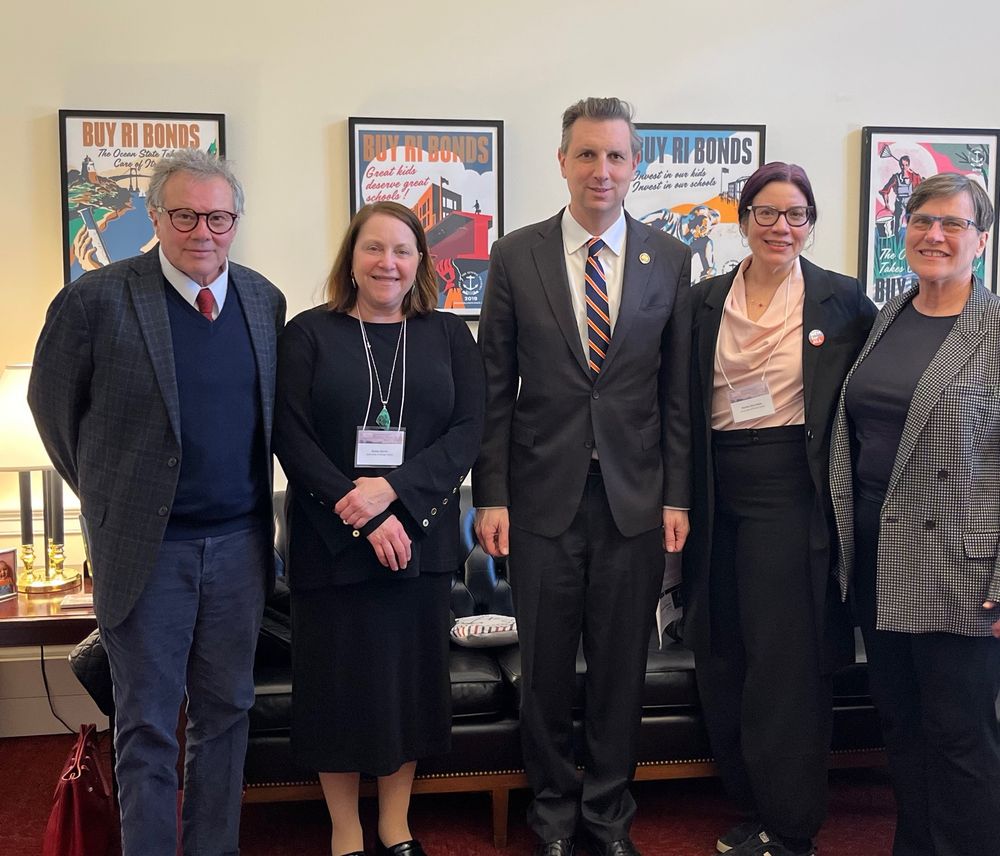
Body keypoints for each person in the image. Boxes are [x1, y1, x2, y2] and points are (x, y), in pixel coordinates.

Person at [28, 148, 285, 856]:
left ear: (236, 221)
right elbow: (52, 412)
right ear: (155, 217)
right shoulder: (95, 299)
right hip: (148, 553)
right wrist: (115, 501)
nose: (202, 231)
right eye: (184, 214)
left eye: (218, 216)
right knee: (145, 724)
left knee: (227, 715)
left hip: (238, 550)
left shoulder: (264, 301)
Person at [474, 97, 692, 856]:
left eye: (617, 156)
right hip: (540, 499)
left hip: (634, 500)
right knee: (545, 670)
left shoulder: (670, 258)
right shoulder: (515, 254)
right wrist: (490, 494)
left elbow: (676, 394)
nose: (603, 170)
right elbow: (494, 387)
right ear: (562, 161)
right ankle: (554, 815)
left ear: (636, 166)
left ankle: (607, 814)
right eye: (588, 155)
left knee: (620, 670)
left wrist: (678, 496)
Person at [273, 201, 484, 856]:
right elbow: (291, 436)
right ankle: (345, 830)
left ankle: (396, 824)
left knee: (405, 689)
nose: (387, 262)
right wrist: (356, 510)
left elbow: (469, 432)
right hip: (328, 542)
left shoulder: (449, 336)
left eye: (401, 249)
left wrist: (392, 494)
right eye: (373, 248)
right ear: (351, 258)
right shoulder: (308, 334)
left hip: (418, 540)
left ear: (421, 261)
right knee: (335, 690)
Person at [683, 162, 876, 856]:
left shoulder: (842, 302)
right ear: (744, 219)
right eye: (767, 213)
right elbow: (678, 405)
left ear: (811, 223)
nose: (781, 227)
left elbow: (869, 405)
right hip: (713, 494)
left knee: (785, 664)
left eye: (796, 214)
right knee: (723, 651)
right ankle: (751, 804)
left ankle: (793, 827)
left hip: (791, 495)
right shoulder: (703, 299)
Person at [830, 171, 1000, 856]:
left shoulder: (992, 331)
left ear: (980, 240)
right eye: (923, 221)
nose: (934, 235)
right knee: (900, 723)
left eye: (953, 224)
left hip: (962, 565)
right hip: (877, 553)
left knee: (959, 733)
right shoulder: (889, 316)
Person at [879, 154, 923, 237]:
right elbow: (885, 191)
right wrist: (886, 204)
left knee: (913, 225)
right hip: (899, 204)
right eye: (902, 165)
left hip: (911, 204)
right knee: (897, 225)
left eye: (906, 165)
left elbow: (922, 190)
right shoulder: (895, 177)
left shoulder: (915, 177)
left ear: (909, 165)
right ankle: (897, 243)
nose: (904, 167)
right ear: (900, 166)